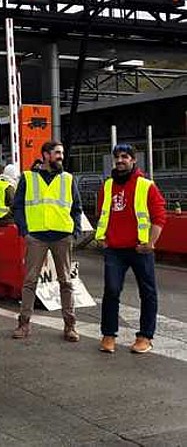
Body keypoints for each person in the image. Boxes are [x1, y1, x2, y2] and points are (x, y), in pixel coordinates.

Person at [95, 144, 167, 354]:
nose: (120, 160)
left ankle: (145, 336)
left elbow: (159, 216)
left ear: (134, 160)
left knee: (148, 293)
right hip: (114, 250)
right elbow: (101, 213)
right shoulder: (107, 186)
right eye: (116, 157)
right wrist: (102, 239)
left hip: (140, 249)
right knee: (111, 291)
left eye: (125, 157)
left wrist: (151, 243)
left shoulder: (146, 185)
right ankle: (108, 335)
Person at [12, 140, 83, 341]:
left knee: (66, 282)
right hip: (36, 236)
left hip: (62, 236)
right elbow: (17, 207)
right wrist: (24, 230)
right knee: (30, 281)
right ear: (45, 155)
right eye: (57, 153)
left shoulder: (68, 179)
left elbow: (76, 207)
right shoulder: (28, 178)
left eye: (62, 153)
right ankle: (24, 325)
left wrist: (74, 230)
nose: (61, 156)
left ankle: (70, 326)